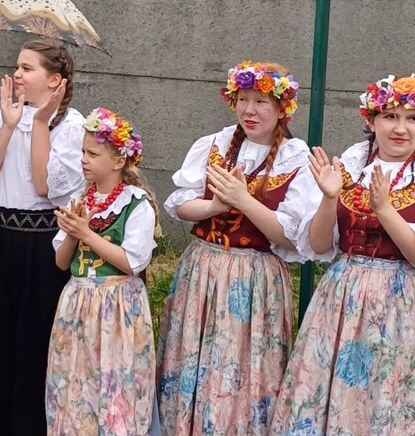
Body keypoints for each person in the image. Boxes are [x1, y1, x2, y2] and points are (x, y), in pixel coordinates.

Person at [157, 61, 320, 435]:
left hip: (255, 279)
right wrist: (215, 206)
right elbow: (181, 205)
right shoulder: (213, 144)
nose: (250, 110)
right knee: (191, 360)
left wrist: (245, 201)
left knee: (244, 367)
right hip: (201, 269)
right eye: (243, 99)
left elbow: (288, 236)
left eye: (261, 101)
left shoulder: (296, 158)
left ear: (282, 108)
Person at [272, 74, 415, 435]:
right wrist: (329, 198)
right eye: (390, 117)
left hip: (399, 303)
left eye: (412, 118)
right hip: (341, 295)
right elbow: (320, 246)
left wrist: (385, 211)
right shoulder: (352, 164)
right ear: (371, 120)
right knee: (325, 390)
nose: (401, 128)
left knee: (384, 396)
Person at [0, 39, 85, 435]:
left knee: (37, 340)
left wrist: (38, 124)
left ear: (55, 80)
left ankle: (32, 426)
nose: (16, 74)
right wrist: (6, 125)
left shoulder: (72, 127)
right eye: (16, 67)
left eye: (26, 68)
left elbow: (43, 186)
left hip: (45, 243)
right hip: (0, 240)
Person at [46, 107, 160, 435]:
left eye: (92, 154)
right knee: (76, 379)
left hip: (118, 304)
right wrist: (71, 232)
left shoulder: (136, 202)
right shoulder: (79, 198)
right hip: (78, 300)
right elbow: (61, 262)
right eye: (83, 152)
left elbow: (132, 262)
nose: (84, 159)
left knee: (116, 379)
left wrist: (85, 233)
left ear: (119, 160)